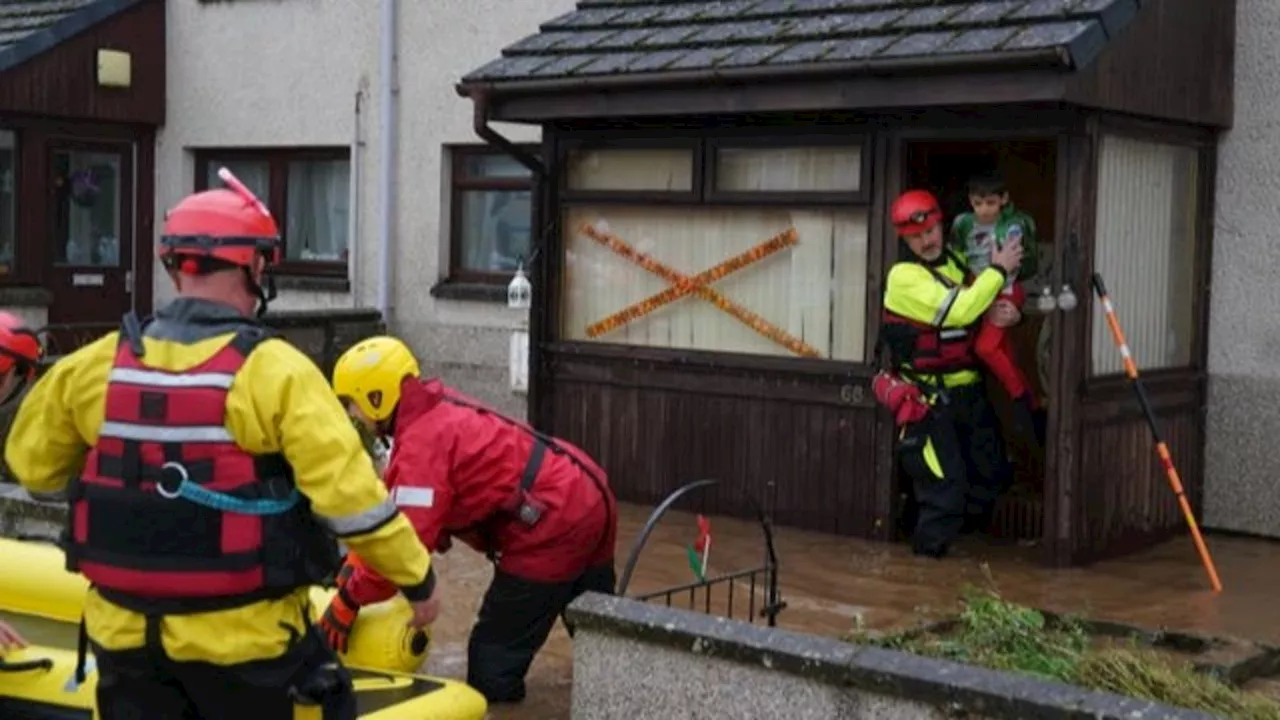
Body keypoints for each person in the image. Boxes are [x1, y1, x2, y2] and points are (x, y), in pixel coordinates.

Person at [2, 170, 441, 719]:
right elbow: (354, 505)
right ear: (254, 265)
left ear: (173, 265)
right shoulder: (277, 373)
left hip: (124, 643)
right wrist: (419, 582)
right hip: (246, 648)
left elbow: (33, 467)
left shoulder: (96, 366)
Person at [319, 335, 617, 704]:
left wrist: (348, 600)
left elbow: (403, 553)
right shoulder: (432, 409)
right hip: (586, 490)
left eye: (350, 403)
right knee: (604, 645)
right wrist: (357, 560)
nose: (351, 415)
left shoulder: (422, 446)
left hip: (551, 523)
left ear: (374, 397)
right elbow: (393, 512)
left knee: (490, 674)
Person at [874, 189, 1023, 559]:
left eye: (930, 231)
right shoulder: (903, 277)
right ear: (904, 239)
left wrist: (1010, 313)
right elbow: (960, 310)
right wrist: (999, 268)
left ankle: (960, 577)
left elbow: (982, 302)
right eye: (915, 236)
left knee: (991, 476)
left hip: (969, 394)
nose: (926, 241)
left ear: (941, 225)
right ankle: (923, 578)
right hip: (929, 402)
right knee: (944, 492)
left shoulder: (956, 262)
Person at [949, 172, 1046, 445]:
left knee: (986, 348)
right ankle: (1033, 407)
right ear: (970, 201)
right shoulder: (963, 224)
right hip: (975, 287)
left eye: (990, 203)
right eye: (978, 203)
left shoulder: (1014, 225)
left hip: (1005, 288)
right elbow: (956, 256)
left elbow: (1021, 263)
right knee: (1004, 354)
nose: (984, 210)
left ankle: (1019, 398)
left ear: (1003, 200)